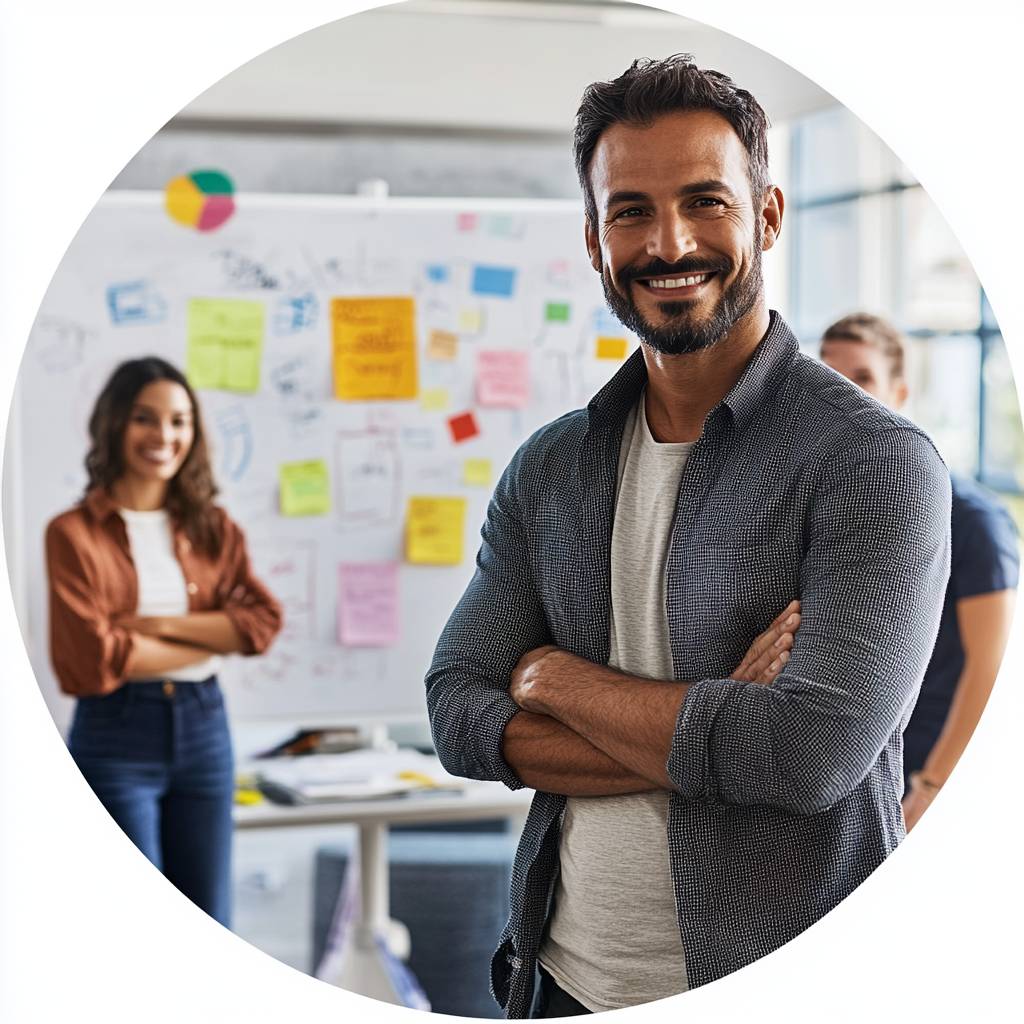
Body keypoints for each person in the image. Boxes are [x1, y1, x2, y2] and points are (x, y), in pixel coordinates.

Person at [425, 54, 951, 1018]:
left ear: (770, 215)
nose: (670, 243)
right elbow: (457, 712)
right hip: (562, 980)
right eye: (631, 211)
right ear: (594, 238)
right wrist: (715, 722)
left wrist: (555, 682)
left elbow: (807, 758)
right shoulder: (551, 467)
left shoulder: (876, 461)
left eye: (706, 202)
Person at [45, 357, 282, 927]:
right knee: (134, 926)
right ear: (115, 425)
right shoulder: (72, 534)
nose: (164, 436)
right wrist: (210, 638)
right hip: (115, 736)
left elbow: (259, 625)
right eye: (145, 419)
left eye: (179, 421)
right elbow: (92, 662)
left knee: (210, 921)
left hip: (205, 732)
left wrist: (152, 626)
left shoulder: (214, 527)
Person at [819, 312, 1018, 831]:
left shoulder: (973, 517)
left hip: (924, 775)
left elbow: (991, 666)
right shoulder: (832, 508)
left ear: (900, 392)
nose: (840, 393)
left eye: (861, 378)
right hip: (850, 776)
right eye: (827, 374)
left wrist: (932, 786)